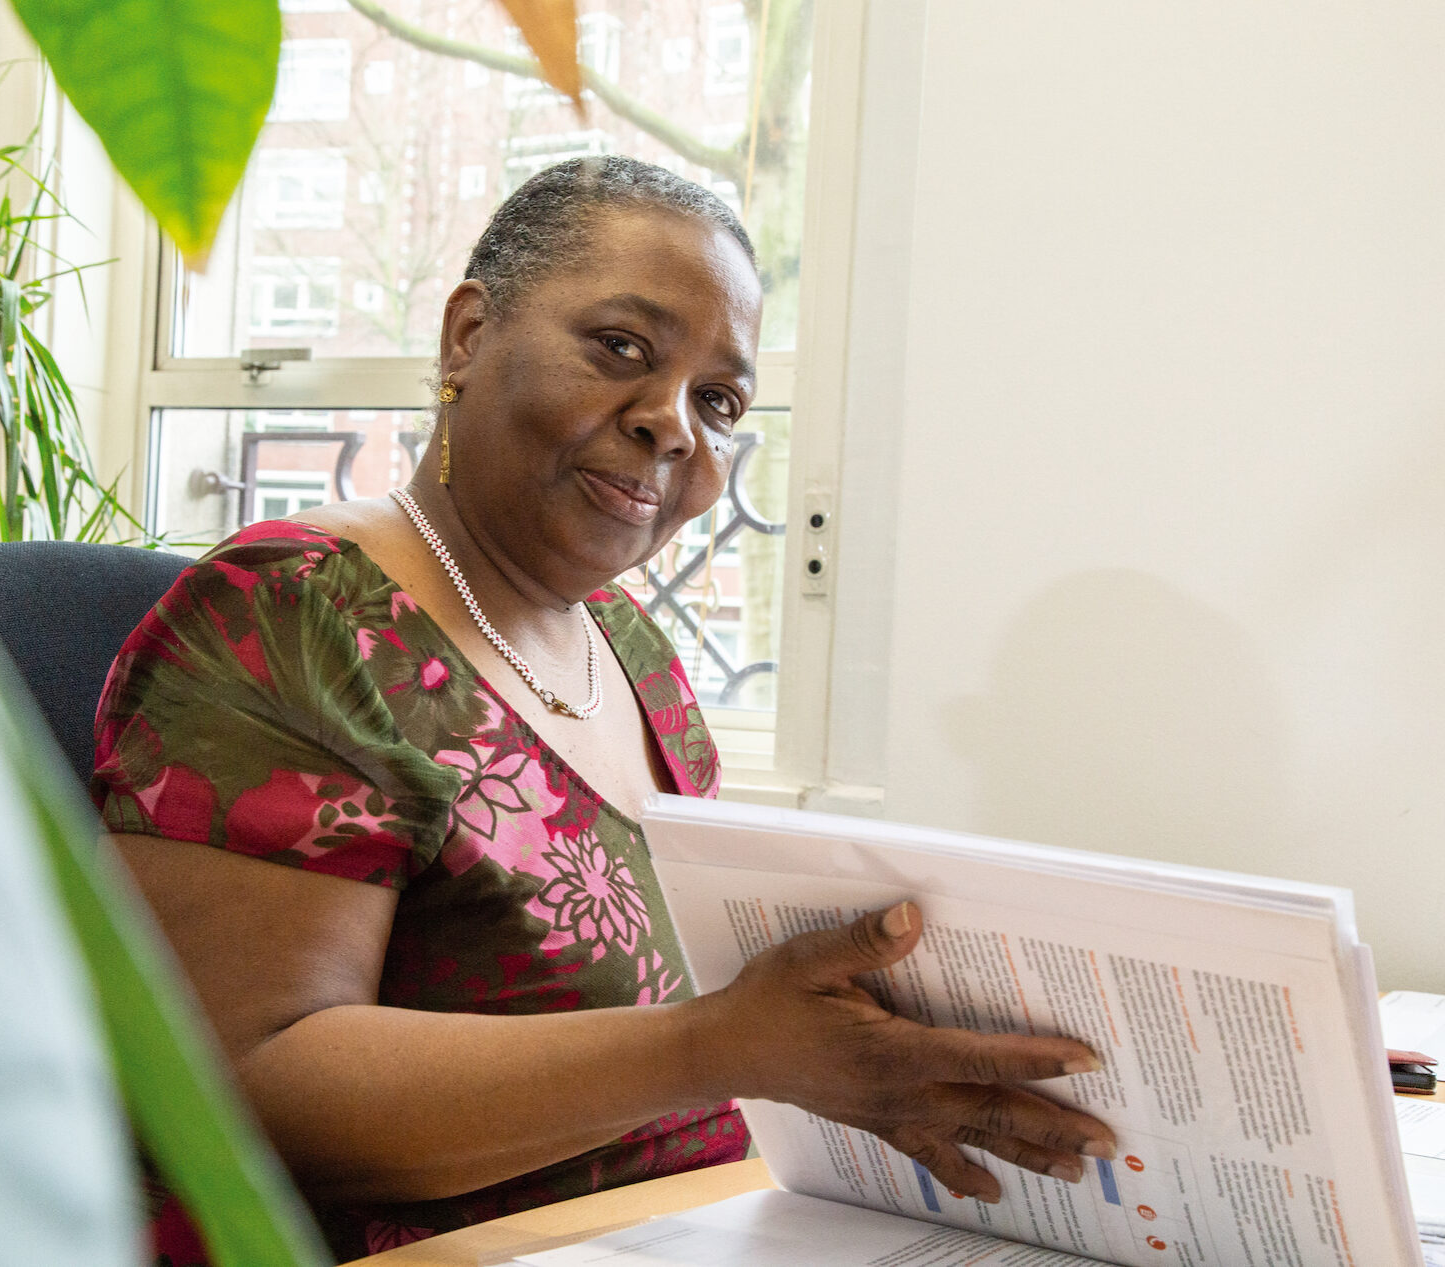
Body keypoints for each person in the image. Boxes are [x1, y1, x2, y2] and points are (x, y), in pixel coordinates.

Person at [92, 156, 1115, 1263]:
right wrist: (720, 1049)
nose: (671, 424)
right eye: (620, 348)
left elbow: (723, 1026)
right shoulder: (293, 613)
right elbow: (241, 1082)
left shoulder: (631, 653)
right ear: (467, 337)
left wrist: (870, 1062)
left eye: (717, 401)